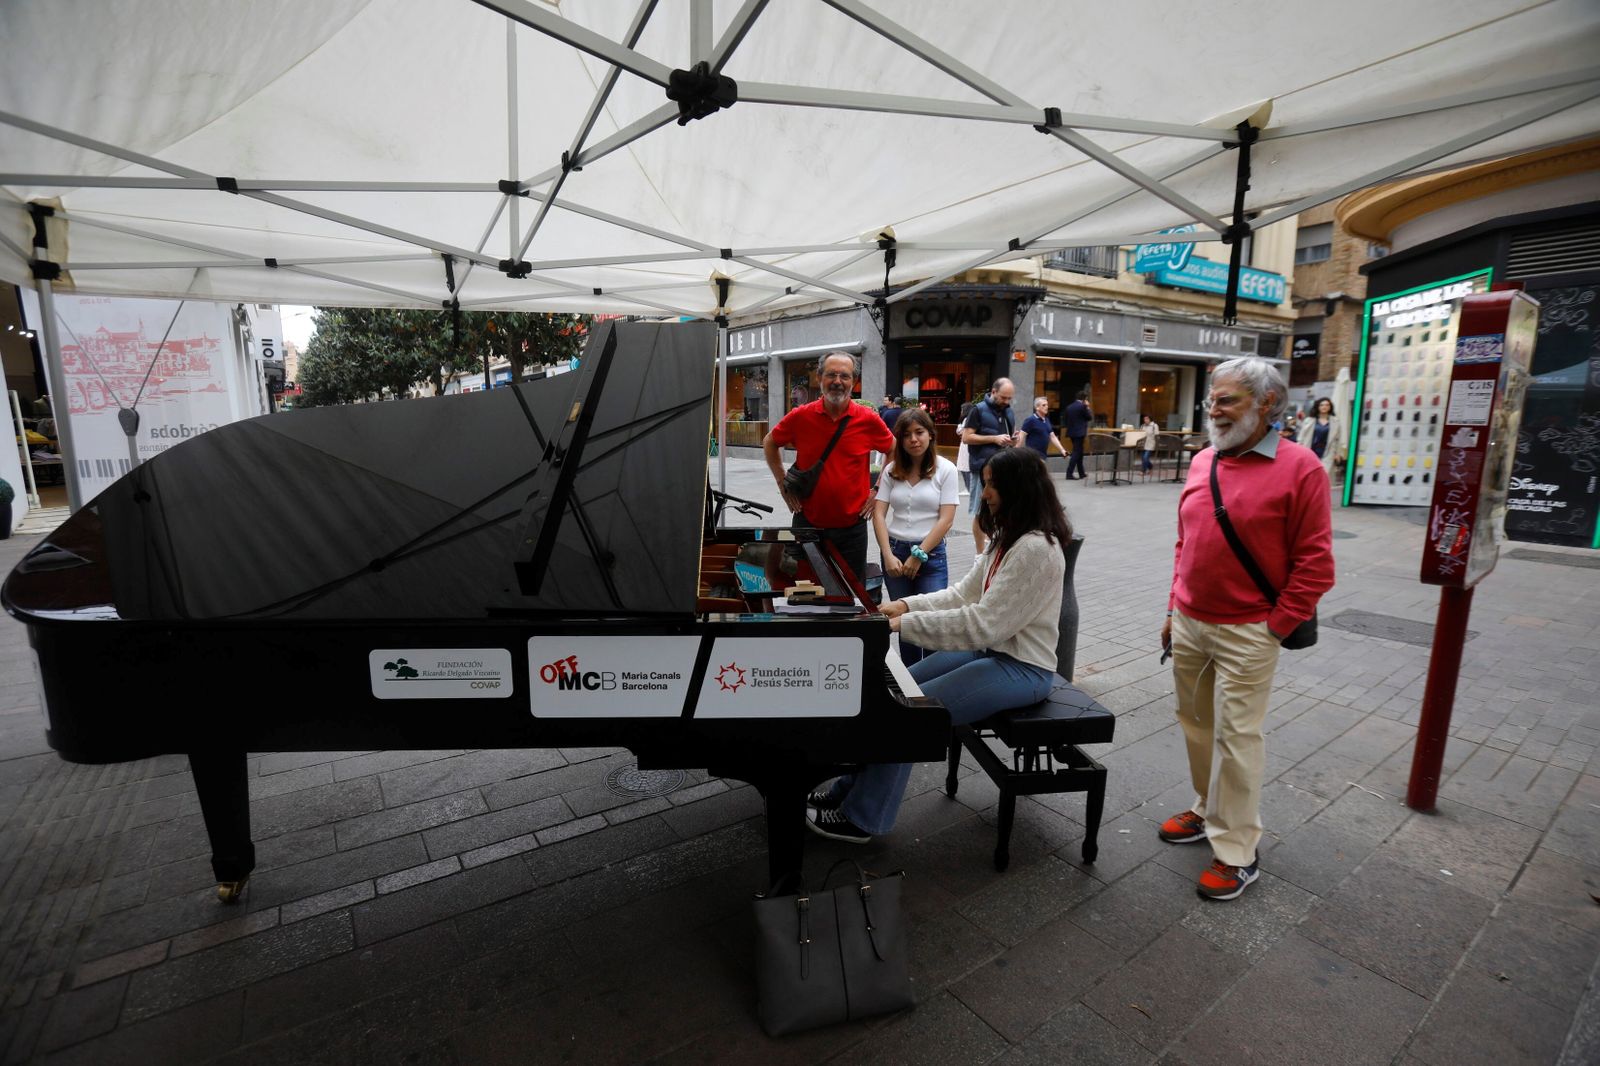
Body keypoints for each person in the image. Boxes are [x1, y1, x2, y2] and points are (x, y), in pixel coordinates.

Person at [808, 447, 1073, 843]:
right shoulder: (1009, 537)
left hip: (1023, 669)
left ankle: (862, 818)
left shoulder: (1037, 549)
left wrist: (902, 625)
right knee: (894, 692)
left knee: (907, 716)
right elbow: (963, 594)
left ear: (1017, 488)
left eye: (991, 486)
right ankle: (847, 792)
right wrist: (903, 603)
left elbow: (983, 624)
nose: (984, 495)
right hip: (994, 652)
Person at [1159, 358, 1335, 902]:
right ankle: (1207, 806)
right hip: (1190, 621)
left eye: (1228, 399)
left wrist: (1273, 628)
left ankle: (1236, 851)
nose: (1214, 407)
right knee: (1195, 724)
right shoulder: (1203, 461)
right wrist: (1172, 609)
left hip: (1250, 631)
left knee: (1238, 737)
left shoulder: (1302, 467)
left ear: (1267, 404)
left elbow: (1316, 564)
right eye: (1213, 398)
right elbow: (1185, 545)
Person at [764, 352, 894, 583]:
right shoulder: (801, 416)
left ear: (853, 381)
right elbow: (770, 443)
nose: (837, 381)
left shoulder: (868, 419)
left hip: (852, 528)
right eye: (831, 374)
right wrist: (782, 484)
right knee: (806, 593)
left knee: (852, 595)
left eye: (844, 376)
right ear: (819, 377)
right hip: (807, 524)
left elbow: (893, 450)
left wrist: (878, 491)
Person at [872, 408, 959, 665]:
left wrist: (919, 555)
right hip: (895, 554)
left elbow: (947, 519)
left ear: (930, 435)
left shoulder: (946, 470)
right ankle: (910, 684)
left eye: (919, 432)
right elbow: (879, 515)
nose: (914, 439)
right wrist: (887, 555)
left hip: (931, 557)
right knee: (905, 626)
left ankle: (932, 685)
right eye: (907, 434)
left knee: (931, 622)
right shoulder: (890, 471)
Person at [960, 379, 1020, 553]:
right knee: (980, 512)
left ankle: (996, 551)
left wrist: (1013, 440)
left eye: (1010, 398)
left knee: (1001, 510)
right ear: (993, 392)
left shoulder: (1008, 411)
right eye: (1003, 397)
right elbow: (966, 437)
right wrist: (994, 438)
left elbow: (1009, 436)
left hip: (1003, 468)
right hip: (981, 469)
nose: (1006, 402)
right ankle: (980, 555)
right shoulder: (978, 410)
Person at [1296, 396, 1343, 476]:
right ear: (1317, 407)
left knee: (1323, 474)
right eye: (1322, 405)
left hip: (1328, 452)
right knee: (1308, 473)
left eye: (1327, 405)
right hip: (1310, 450)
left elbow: (1338, 439)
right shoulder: (1309, 420)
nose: (1324, 407)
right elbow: (1301, 438)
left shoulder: (1336, 422)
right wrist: (1299, 450)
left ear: (1330, 407)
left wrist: (1338, 453)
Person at [1019, 397, 1068, 463]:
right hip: (1033, 456)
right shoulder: (1030, 420)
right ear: (1037, 407)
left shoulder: (1046, 420)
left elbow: (1052, 436)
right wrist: (1014, 454)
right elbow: (1021, 436)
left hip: (1043, 455)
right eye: (1044, 405)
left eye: (1047, 405)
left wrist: (1062, 450)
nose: (1046, 407)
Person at [1062, 390, 1093, 480]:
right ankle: (1069, 473)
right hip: (1080, 433)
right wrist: (1087, 407)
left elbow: (1066, 420)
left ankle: (1081, 473)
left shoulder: (1069, 407)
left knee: (1079, 452)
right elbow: (1089, 417)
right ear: (1084, 399)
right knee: (1076, 452)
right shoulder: (1083, 406)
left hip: (1072, 432)